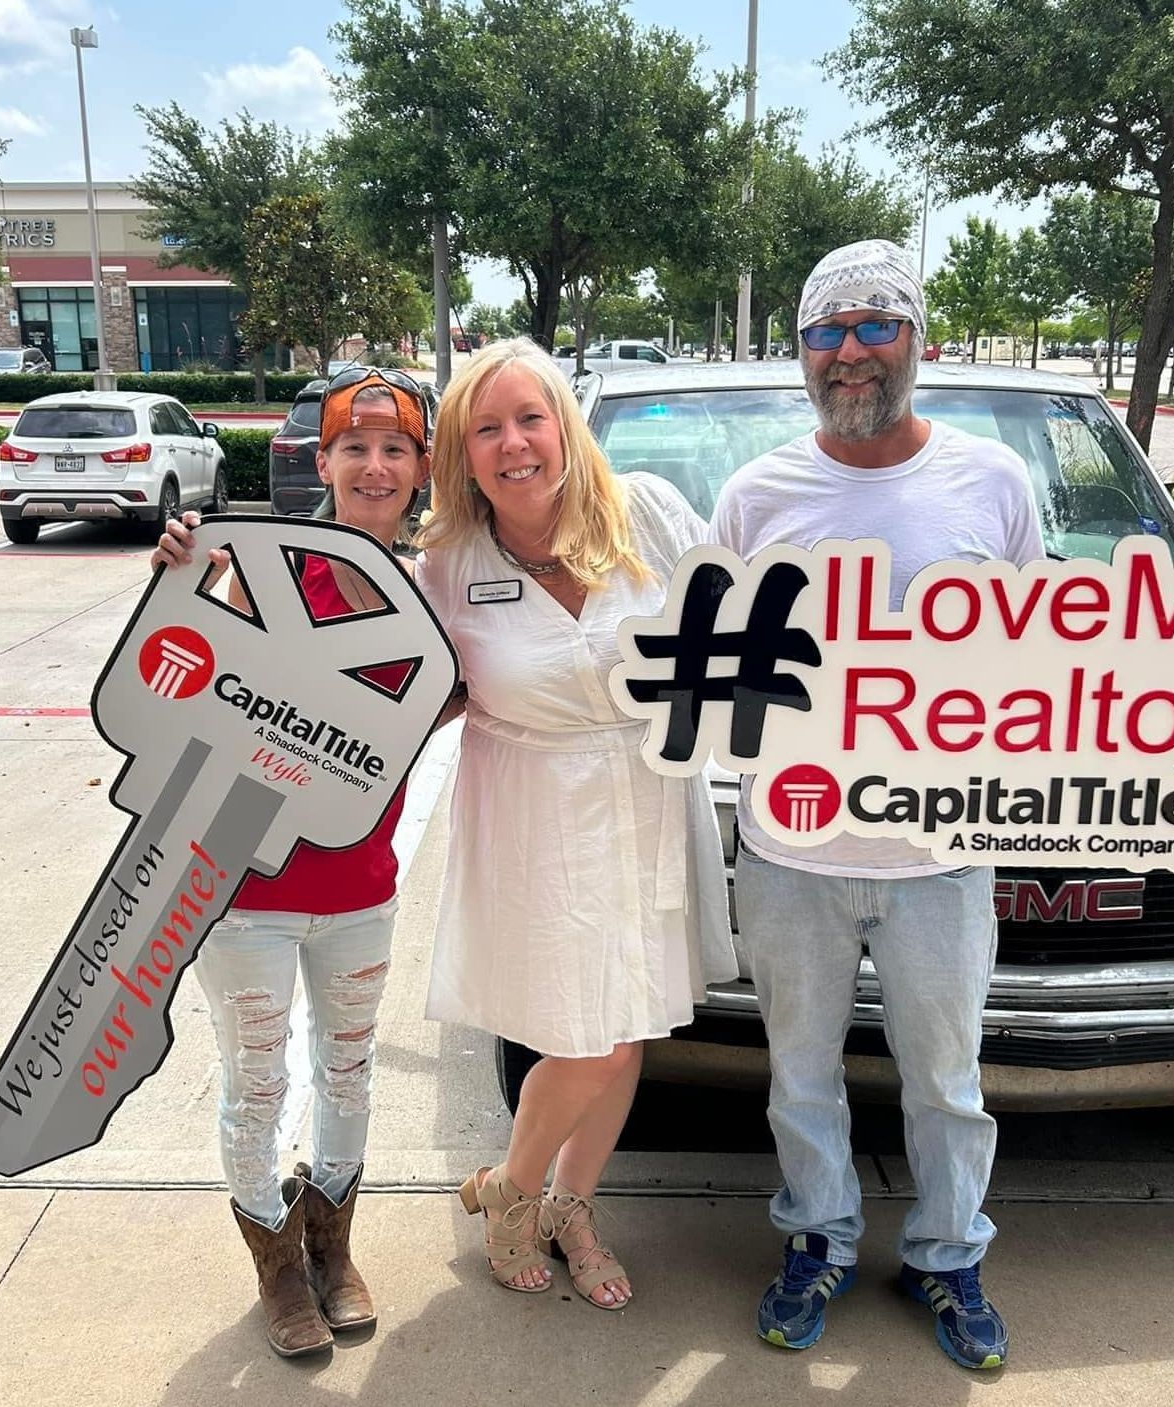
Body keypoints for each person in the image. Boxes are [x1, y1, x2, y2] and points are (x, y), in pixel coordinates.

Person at [709, 240, 1043, 1370]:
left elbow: (1038, 660)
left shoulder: (992, 481)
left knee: (948, 1083)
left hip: (940, 857)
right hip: (789, 849)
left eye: (872, 326)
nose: (848, 354)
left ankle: (951, 1255)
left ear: (916, 339)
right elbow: (710, 665)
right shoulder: (757, 495)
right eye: (824, 333)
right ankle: (818, 1238)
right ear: (799, 353)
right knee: (798, 1074)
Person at [414, 338, 735, 1310]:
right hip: (531, 817)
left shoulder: (648, 514)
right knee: (581, 1033)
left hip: (645, 799)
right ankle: (514, 1193)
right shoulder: (450, 565)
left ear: (566, 425)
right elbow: (399, 691)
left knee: (627, 1029)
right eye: (487, 429)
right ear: (463, 457)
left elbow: (740, 625)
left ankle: (568, 1205)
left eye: (530, 418)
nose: (514, 445)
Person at [149, 367, 433, 1358]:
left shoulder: (432, 589)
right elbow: (170, 674)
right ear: (324, 461)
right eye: (354, 446)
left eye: (395, 447)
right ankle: (277, 1269)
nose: (374, 464)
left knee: (348, 1074)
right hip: (244, 888)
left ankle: (332, 1248)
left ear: (419, 467)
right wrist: (179, 576)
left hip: (360, 888)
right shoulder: (255, 567)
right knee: (255, 1083)